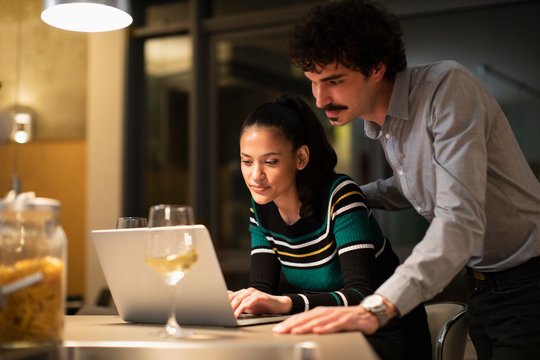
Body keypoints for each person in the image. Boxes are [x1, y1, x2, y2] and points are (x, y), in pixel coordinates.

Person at [273, 1, 540, 359]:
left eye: (334, 82)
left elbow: (458, 222)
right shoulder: (388, 129)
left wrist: (376, 308)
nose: (320, 99)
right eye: (314, 83)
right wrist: (343, 198)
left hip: (529, 283)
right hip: (481, 286)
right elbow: (411, 189)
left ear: (377, 68)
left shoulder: (447, 90)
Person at [230, 94, 432, 360]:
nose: (256, 175)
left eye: (270, 162)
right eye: (247, 161)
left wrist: (287, 303)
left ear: (301, 158)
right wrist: (242, 302)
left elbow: (361, 295)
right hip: (327, 335)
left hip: (386, 338)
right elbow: (262, 291)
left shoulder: (341, 197)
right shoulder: (262, 209)